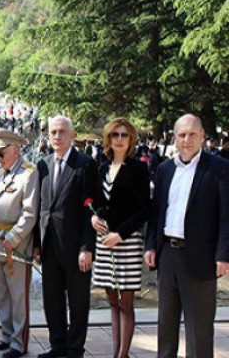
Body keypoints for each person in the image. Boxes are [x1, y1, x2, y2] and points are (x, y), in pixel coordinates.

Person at [145, 114, 229, 358]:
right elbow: (156, 212)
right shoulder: (164, 169)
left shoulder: (219, 169)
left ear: (202, 136)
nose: (187, 139)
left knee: (199, 331)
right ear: (175, 138)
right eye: (182, 135)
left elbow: (226, 216)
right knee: (166, 326)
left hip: (200, 257)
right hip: (167, 256)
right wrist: (151, 246)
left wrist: (223, 254)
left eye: (193, 134)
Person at [34, 115, 97, 358]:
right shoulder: (43, 164)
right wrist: (36, 246)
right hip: (49, 245)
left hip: (75, 246)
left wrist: (87, 247)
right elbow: (41, 208)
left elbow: (90, 210)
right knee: (53, 299)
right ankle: (57, 344)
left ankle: (75, 349)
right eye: (53, 132)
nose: (57, 136)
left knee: (78, 301)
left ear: (72, 135)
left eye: (62, 132)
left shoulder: (85, 164)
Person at [89, 118, 150, 358]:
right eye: (115, 135)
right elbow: (98, 203)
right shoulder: (102, 167)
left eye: (125, 135)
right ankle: (116, 351)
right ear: (109, 138)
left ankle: (122, 355)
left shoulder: (138, 169)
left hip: (127, 241)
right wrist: (93, 218)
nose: (120, 139)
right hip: (104, 242)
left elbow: (145, 209)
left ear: (131, 139)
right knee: (112, 301)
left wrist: (120, 234)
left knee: (126, 303)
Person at [0, 128, 40, 358]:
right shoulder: (0, 172)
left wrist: (13, 238)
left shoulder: (28, 173)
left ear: (15, 150)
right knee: (2, 294)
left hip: (15, 245)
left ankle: (19, 342)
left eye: (1, 152)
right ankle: (7, 335)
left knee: (18, 296)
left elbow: (29, 213)